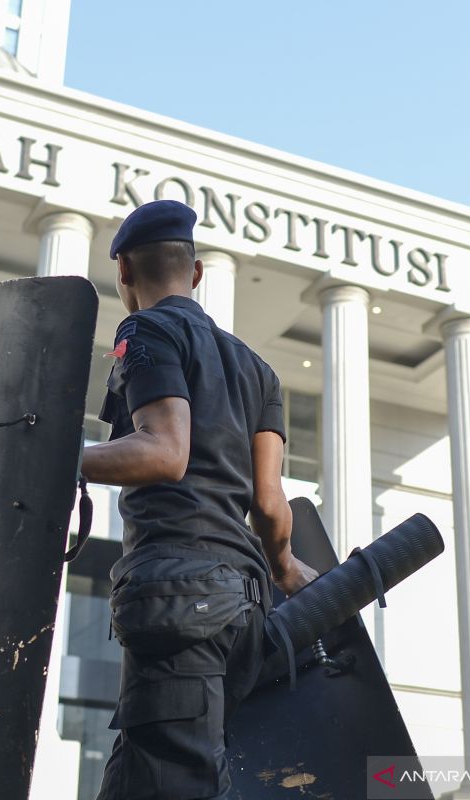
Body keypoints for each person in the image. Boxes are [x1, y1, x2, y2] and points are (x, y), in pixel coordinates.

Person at [81, 199, 318, 799]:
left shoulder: (144, 329)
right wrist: (286, 569)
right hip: (242, 611)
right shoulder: (258, 370)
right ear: (196, 272)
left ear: (124, 274)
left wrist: (44, 458)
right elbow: (269, 504)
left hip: (178, 599)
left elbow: (165, 451)